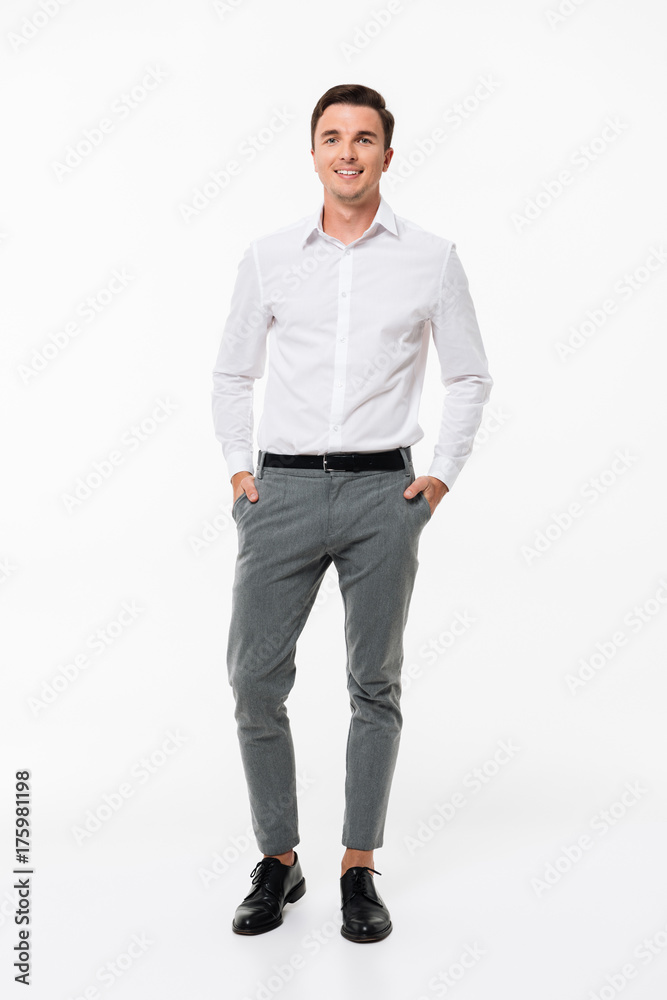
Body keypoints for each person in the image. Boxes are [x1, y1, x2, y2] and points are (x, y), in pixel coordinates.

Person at [211, 83, 493, 943]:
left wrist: (437, 480)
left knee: (375, 684)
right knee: (254, 681)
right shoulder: (268, 256)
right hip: (281, 493)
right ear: (312, 153)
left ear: (386, 155)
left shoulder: (431, 257)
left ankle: (358, 866)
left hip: (383, 496)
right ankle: (278, 859)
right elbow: (232, 374)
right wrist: (239, 471)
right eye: (332, 137)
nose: (347, 151)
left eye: (363, 138)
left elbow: (468, 376)